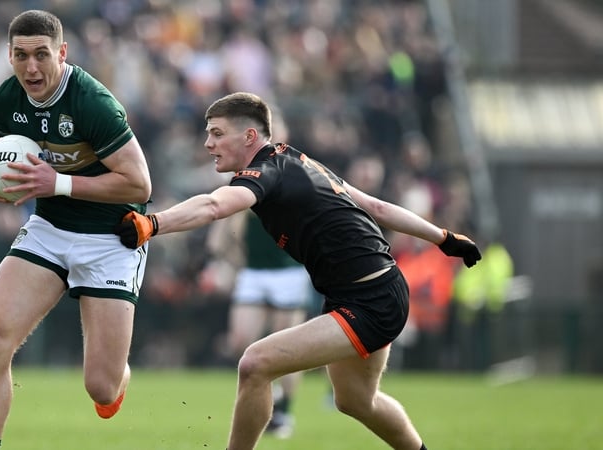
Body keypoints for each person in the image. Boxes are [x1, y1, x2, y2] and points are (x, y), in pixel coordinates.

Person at [114, 92, 481, 450]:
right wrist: (444, 238)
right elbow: (375, 207)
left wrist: (152, 224)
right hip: (367, 292)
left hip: (372, 298)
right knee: (355, 401)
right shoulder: (297, 160)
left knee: (255, 363)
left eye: (217, 133)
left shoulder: (266, 171)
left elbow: (213, 206)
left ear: (250, 137)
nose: (208, 143)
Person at [0, 10, 152, 450]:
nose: (31, 67)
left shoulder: (92, 102)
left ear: (62, 53)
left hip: (112, 239)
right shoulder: (8, 97)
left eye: (41, 55)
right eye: (20, 55)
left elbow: (139, 183)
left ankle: (118, 375)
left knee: (102, 388)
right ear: (9, 56)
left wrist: (60, 182)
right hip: (49, 228)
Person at [203, 209, 311, 439]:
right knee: (239, 342)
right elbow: (218, 242)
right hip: (253, 272)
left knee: (289, 349)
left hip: (288, 271)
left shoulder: (284, 185)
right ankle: (273, 393)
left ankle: (283, 412)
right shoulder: (242, 187)